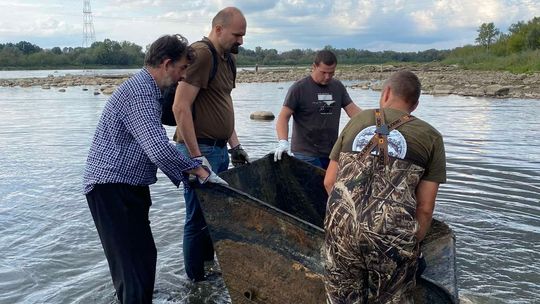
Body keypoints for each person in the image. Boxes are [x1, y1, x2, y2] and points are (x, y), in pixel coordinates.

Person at [83, 34, 227, 304]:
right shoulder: (140, 92)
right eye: (182, 69)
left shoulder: (149, 91)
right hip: (111, 189)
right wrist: (199, 170)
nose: (183, 76)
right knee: (132, 267)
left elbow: (158, 139)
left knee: (144, 257)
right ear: (167, 63)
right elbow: (158, 148)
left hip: (128, 187)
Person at [323, 70, 446, 303]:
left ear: (386, 92)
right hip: (391, 234)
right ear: (416, 104)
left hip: (342, 226)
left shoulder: (357, 121)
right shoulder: (431, 137)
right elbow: (426, 207)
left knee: (342, 297)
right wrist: (411, 244)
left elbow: (330, 181)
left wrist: (351, 218)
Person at [172, 7, 249, 282]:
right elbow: (180, 107)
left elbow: (222, 104)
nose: (241, 41)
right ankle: (196, 281)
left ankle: (207, 269)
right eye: (237, 34)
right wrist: (195, 158)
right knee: (196, 216)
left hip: (219, 149)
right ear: (218, 29)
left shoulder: (227, 59)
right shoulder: (202, 54)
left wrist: (235, 145)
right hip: (200, 149)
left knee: (212, 215)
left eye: (243, 35)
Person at [273, 50, 362, 169]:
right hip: (305, 153)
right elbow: (283, 117)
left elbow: (353, 111)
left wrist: (373, 121)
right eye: (323, 72)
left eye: (331, 73)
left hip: (331, 152)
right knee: (311, 187)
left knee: (329, 186)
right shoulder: (299, 88)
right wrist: (283, 141)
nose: (327, 77)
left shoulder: (337, 87)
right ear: (314, 67)